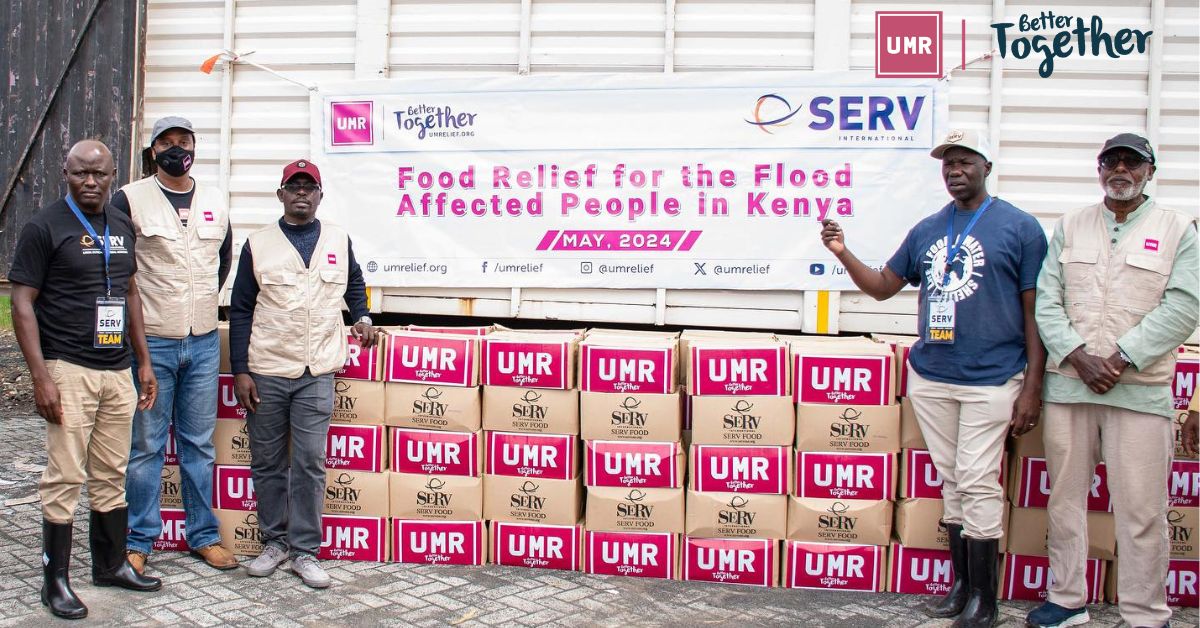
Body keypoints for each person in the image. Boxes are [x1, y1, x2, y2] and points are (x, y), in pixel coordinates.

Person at [821, 129, 1047, 628]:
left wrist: (1033, 384)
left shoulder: (1021, 228)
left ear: (987, 166)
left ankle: (985, 600)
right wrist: (842, 251)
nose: (954, 170)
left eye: (965, 162)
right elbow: (883, 288)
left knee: (978, 479)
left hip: (993, 378)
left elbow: (1037, 313)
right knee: (952, 480)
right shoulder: (927, 228)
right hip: (932, 374)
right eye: (947, 163)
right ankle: (962, 587)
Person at [1028, 133, 1198, 628]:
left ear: (1150, 170)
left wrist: (1121, 359)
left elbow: (1185, 305)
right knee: (1064, 501)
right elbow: (1047, 300)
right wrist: (1079, 357)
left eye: (1132, 162)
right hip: (1069, 385)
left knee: (1141, 510)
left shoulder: (1178, 229)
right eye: (1111, 161)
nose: (1120, 169)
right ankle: (1066, 600)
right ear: (1099, 169)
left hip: (1140, 392)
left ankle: (1146, 614)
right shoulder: (1072, 225)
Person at [8, 140, 163, 619]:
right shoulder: (44, 227)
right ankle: (54, 581)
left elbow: (131, 292)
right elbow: (22, 303)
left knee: (111, 473)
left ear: (113, 173)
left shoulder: (120, 224)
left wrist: (143, 360)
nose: (90, 182)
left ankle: (111, 564)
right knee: (65, 477)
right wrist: (41, 377)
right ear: (66, 172)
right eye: (80, 174)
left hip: (117, 371)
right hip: (68, 369)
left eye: (99, 174)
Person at [228, 159, 375, 588]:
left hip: (318, 370)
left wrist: (362, 314)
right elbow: (240, 310)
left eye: (309, 187)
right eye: (294, 187)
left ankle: (305, 551)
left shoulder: (337, 239)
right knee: (269, 462)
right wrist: (241, 371)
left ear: (320, 196)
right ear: (281, 195)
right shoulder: (259, 243)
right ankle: (274, 542)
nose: (302, 194)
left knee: (310, 463)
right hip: (268, 369)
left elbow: (353, 282)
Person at [110, 116, 236, 574]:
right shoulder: (130, 198)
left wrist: (198, 305)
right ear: (153, 150)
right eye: (167, 142)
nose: (176, 149)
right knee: (145, 447)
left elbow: (221, 261)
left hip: (202, 342)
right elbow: (118, 268)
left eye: (185, 141)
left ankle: (203, 536)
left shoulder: (215, 200)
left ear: (195, 149)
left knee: (198, 445)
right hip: (153, 346)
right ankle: (138, 540)